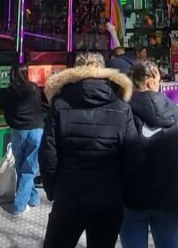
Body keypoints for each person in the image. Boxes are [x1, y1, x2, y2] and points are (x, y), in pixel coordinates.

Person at [39, 52, 141, 248]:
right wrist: (122, 193)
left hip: (69, 197)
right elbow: (133, 157)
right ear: (104, 71)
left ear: (75, 71)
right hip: (108, 199)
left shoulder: (60, 104)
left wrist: (53, 190)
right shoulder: (121, 108)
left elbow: (48, 155)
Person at [121, 60, 178, 248]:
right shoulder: (171, 114)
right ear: (150, 82)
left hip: (132, 196)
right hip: (168, 196)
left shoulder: (123, 111)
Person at [2, 63, 44, 215]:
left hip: (19, 131)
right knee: (29, 168)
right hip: (36, 130)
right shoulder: (34, 89)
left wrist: (12, 123)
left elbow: (7, 112)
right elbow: (39, 108)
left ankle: (21, 203)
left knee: (21, 166)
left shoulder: (9, 91)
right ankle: (28, 200)